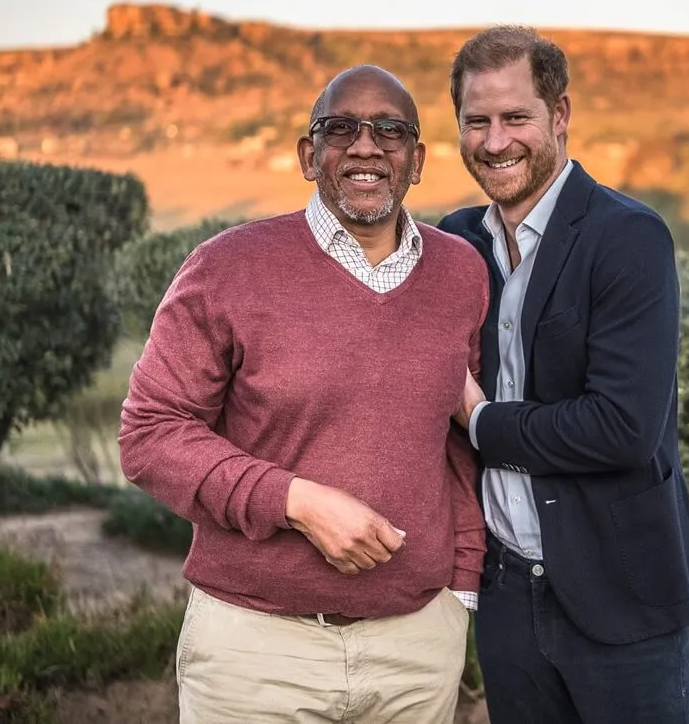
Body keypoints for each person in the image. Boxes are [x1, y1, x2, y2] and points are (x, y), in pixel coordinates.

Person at [119, 64, 490, 723]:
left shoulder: (461, 273)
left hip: (416, 651)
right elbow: (150, 434)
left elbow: (457, 443)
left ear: (419, 160)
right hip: (257, 651)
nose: (367, 146)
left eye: (392, 131)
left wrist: (459, 592)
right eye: (341, 128)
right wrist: (295, 501)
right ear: (307, 154)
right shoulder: (228, 267)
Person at [438, 26, 689, 723]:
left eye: (515, 118)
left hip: (620, 595)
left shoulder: (628, 237)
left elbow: (621, 428)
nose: (495, 141)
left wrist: (483, 420)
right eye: (477, 121)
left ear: (559, 115)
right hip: (505, 599)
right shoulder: (454, 243)